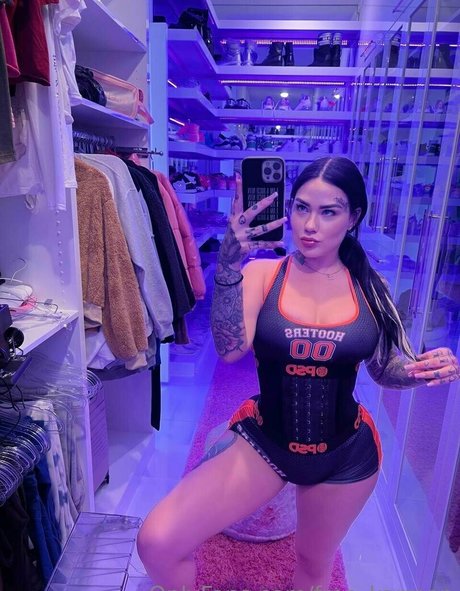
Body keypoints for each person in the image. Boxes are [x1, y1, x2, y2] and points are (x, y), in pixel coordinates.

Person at [137, 156, 459, 590]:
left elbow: (385, 370)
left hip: (345, 455)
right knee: (157, 542)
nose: (310, 225)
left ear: (353, 217)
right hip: (267, 444)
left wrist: (419, 371)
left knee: (312, 567)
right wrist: (228, 268)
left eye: (328, 212)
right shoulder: (262, 274)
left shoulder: (372, 287)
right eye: (302, 207)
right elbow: (230, 350)